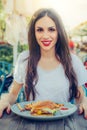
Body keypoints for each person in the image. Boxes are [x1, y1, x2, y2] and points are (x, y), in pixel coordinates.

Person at [0, 8, 87, 120]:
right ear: (34, 33)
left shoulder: (73, 61)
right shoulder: (24, 59)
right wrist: (4, 101)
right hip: (31, 123)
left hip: (63, 123)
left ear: (58, 32)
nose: (45, 36)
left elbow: (79, 98)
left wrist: (85, 103)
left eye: (51, 29)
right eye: (40, 30)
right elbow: (12, 95)